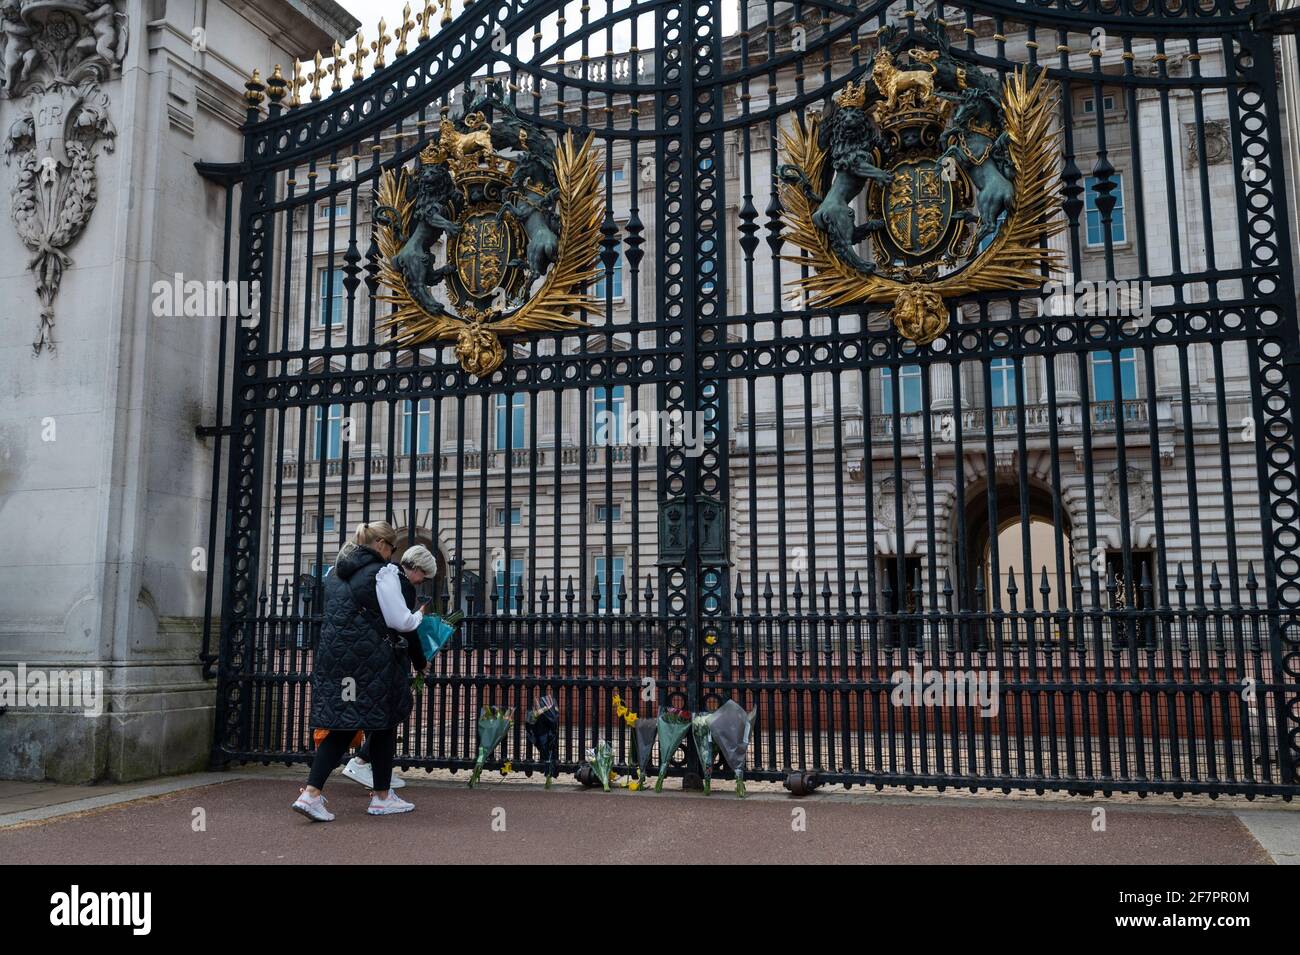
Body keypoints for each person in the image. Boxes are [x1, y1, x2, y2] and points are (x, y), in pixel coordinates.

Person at [292, 521, 423, 820]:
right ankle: (380, 797)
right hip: (370, 659)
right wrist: (418, 617)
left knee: (344, 722)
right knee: (384, 721)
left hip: (335, 658)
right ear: (380, 545)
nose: (391, 555)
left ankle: (313, 793)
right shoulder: (383, 573)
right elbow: (400, 621)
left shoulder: (335, 573)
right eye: (390, 548)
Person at [339, 543, 439, 790]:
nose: (421, 582)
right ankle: (362, 761)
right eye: (422, 576)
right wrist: (421, 661)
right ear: (415, 568)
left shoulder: (387, 575)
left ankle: (373, 767)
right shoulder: (402, 584)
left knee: (383, 712)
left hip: (367, 652)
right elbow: (406, 628)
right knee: (391, 711)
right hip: (387, 657)